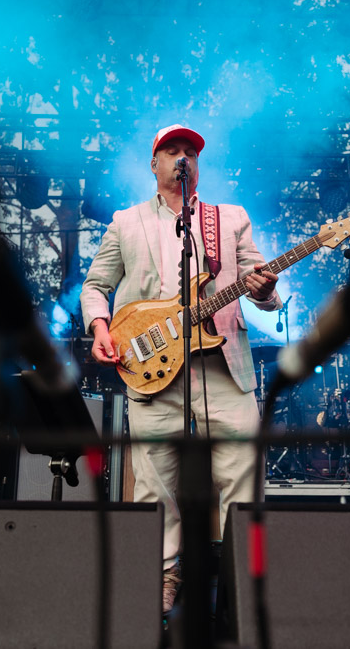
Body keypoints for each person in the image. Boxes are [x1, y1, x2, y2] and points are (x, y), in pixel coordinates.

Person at [80, 124, 281, 614]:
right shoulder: (125, 222)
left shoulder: (229, 219)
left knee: (242, 473)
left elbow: (265, 290)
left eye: (189, 151)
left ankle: (242, 577)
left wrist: (264, 290)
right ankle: (166, 574)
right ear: (154, 164)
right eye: (171, 151)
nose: (181, 158)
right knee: (155, 478)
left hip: (222, 364)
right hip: (149, 363)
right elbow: (95, 285)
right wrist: (100, 328)